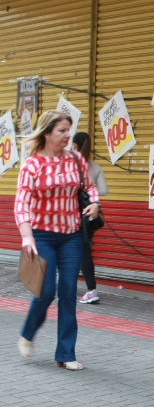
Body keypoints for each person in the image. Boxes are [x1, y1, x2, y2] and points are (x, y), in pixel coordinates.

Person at [15, 111, 101, 371]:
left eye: (68, 130)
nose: (67, 136)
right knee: (45, 292)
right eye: (62, 130)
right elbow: (21, 203)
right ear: (47, 133)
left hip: (72, 236)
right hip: (41, 235)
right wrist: (27, 237)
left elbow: (90, 187)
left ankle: (66, 353)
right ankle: (28, 333)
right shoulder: (32, 165)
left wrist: (95, 203)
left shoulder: (75, 159)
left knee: (67, 293)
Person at [72, 132, 108, 304]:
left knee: (73, 251)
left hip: (73, 215)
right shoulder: (95, 167)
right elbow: (104, 190)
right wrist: (91, 197)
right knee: (83, 251)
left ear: (73, 146)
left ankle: (87, 289)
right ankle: (90, 290)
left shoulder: (70, 165)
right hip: (90, 215)